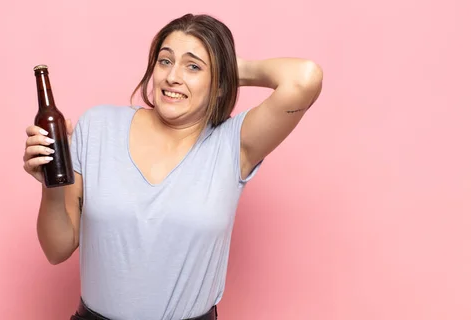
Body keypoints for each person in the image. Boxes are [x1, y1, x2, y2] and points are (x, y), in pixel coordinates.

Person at [23, 13, 323, 320]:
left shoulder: (233, 144)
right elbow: (56, 249)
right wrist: (50, 187)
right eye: (165, 61)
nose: (172, 77)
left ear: (220, 83)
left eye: (193, 66)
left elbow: (305, 77)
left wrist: (228, 69)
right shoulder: (98, 127)